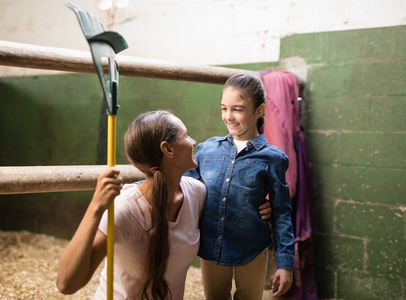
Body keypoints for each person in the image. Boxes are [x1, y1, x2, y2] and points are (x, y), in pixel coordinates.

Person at [56, 110, 272, 300]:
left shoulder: (196, 193)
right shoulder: (124, 209)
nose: (193, 141)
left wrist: (257, 207)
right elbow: (66, 284)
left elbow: (228, 209)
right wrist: (96, 208)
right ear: (168, 149)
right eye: (186, 135)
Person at [185, 73, 295, 300]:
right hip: (211, 247)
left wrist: (285, 264)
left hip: (252, 249)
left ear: (259, 111)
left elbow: (282, 212)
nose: (228, 116)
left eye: (237, 109)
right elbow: (182, 186)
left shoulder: (273, 158)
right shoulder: (207, 150)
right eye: (224, 108)